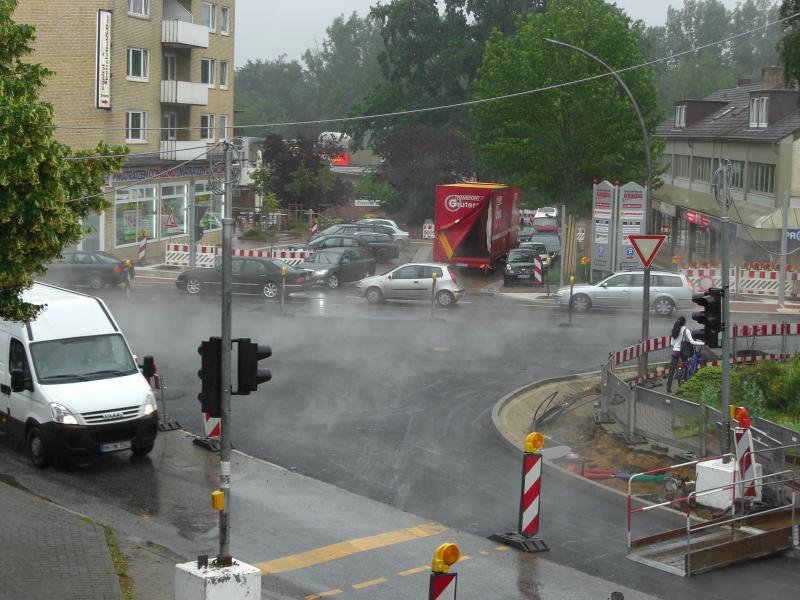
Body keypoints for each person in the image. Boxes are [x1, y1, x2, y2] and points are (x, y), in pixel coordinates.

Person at [665, 316, 703, 393]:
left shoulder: (675, 330)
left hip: (675, 352)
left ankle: (668, 387)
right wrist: (702, 343)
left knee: (672, 370)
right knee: (686, 366)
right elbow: (692, 342)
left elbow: (672, 343)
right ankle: (684, 383)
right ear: (684, 322)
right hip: (683, 352)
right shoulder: (686, 330)